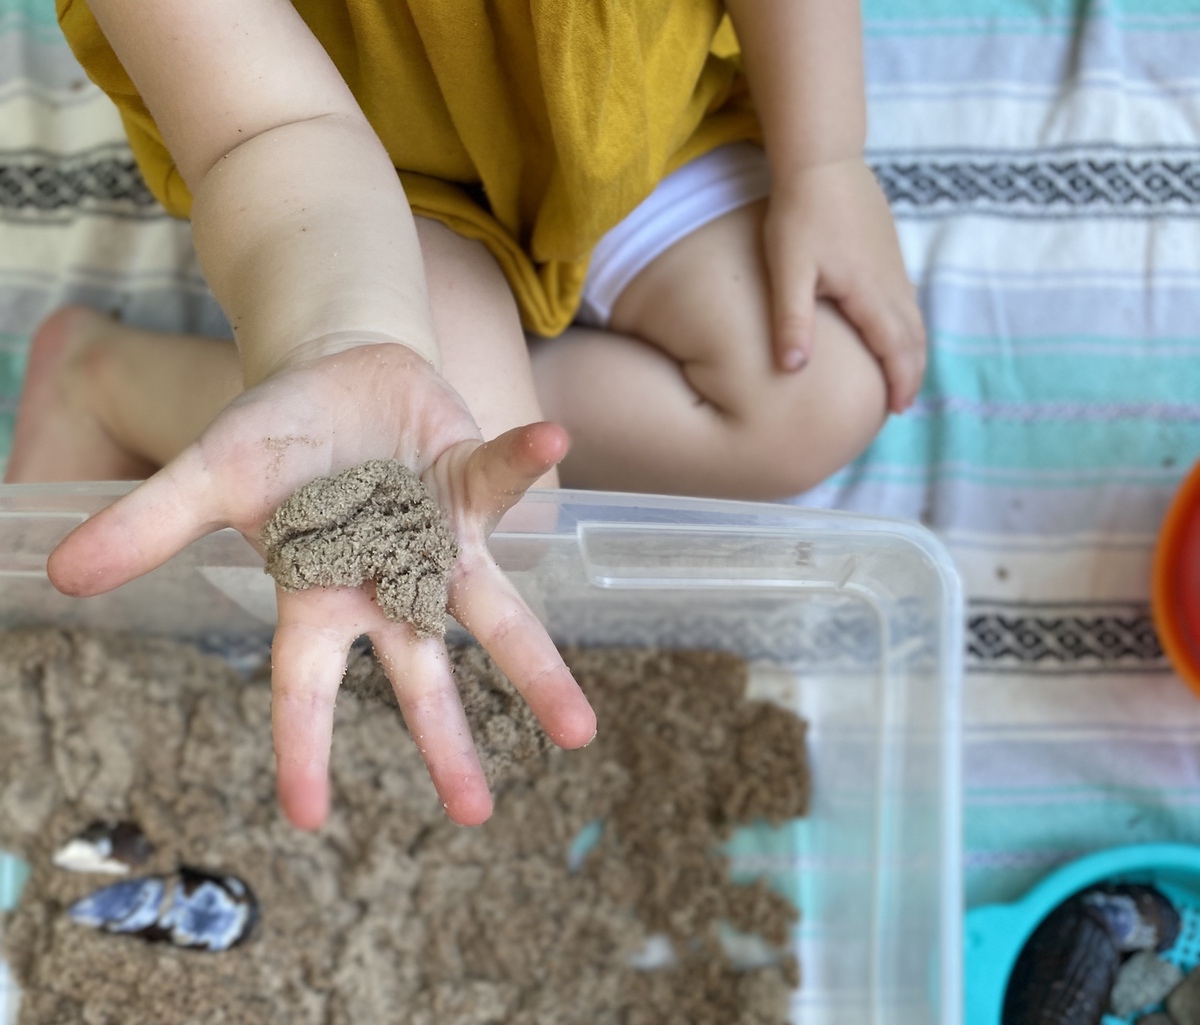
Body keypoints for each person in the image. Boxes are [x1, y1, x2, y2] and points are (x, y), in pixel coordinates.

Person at [9, 0, 925, 828]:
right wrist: (340, 343)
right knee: (506, 527)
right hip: (351, 167)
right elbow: (273, 130)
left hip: (623, 128)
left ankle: (492, 393)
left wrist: (823, 156)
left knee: (821, 392)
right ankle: (106, 377)